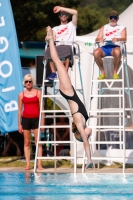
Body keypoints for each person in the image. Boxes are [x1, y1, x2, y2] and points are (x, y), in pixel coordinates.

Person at [46, 26, 93, 169]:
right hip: (69, 92)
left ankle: (51, 39)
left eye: (86, 135)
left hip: (68, 92)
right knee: (60, 65)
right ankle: (51, 40)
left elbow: (85, 143)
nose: (89, 135)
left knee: (58, 62)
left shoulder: (80, 124)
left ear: (80, 134)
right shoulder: (84, 122)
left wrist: (89, 160)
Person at [18, 74, 45, 170]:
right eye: (26, 81)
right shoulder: (21, 95)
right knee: (27, 142)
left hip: (36, 119)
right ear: (24, 83)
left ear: (32, 82)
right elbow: (20, 110)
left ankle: (39, 164)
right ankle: (28, 164)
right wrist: (19, 124)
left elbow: (42, 108)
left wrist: (42, 122)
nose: (28, 83)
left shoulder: (38, 93)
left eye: (30, 81)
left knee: (38, 142)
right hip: (25, 119)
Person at [44, 6, 78, 80]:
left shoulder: (71, 25)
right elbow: (52, 37)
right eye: (61, 15)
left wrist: (61, 9)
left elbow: (75, 12)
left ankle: (65, 72)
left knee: (66, 49)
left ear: (68, 16)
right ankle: (53, 72)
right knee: (49, 50)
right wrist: (48, 35)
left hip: (68, 45)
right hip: (58, 46)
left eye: (65, 14)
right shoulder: (55, 28)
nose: (63, 16)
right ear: (59, 16)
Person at [94, 10, 127, 80]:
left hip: (115, 47)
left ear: (117, 19)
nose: (113, 19)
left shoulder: (122, 27)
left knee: (117, 52)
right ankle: (103, 72)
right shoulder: (104, 27)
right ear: (109, 18)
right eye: (111, 17)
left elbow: (124, 38)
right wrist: (100, 39)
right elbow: (97, 38)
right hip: (105, 47)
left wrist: (117, 39)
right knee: (96, 52)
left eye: (114, 18)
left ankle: (115, 72)